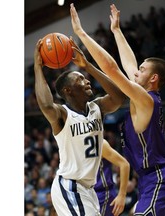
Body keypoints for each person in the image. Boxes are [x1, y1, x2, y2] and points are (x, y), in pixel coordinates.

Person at [70, 3, 165, 215]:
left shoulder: (146, 100)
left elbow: (112, 69)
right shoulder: (142, 95)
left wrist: (81, 34)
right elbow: (129, 65)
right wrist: (116, 31)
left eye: (142, 70)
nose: (136, 72)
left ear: (153, 78)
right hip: (148, 179)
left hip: (159, 179)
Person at [34, 34, 125, 215]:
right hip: (70, 186)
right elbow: (45, 105)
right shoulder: (62, 114)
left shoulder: (96, 107)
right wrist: (38, 67)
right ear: (68, 90)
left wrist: (88, 67)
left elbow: (119, 97)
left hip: (88, 189)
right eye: (80, 79)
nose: (87, 81)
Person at [95, 139, 130, 216]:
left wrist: (122, 195)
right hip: (87, 193)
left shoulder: (100, 143)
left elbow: (124, 164)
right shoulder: (74, 144)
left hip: (103, 194)